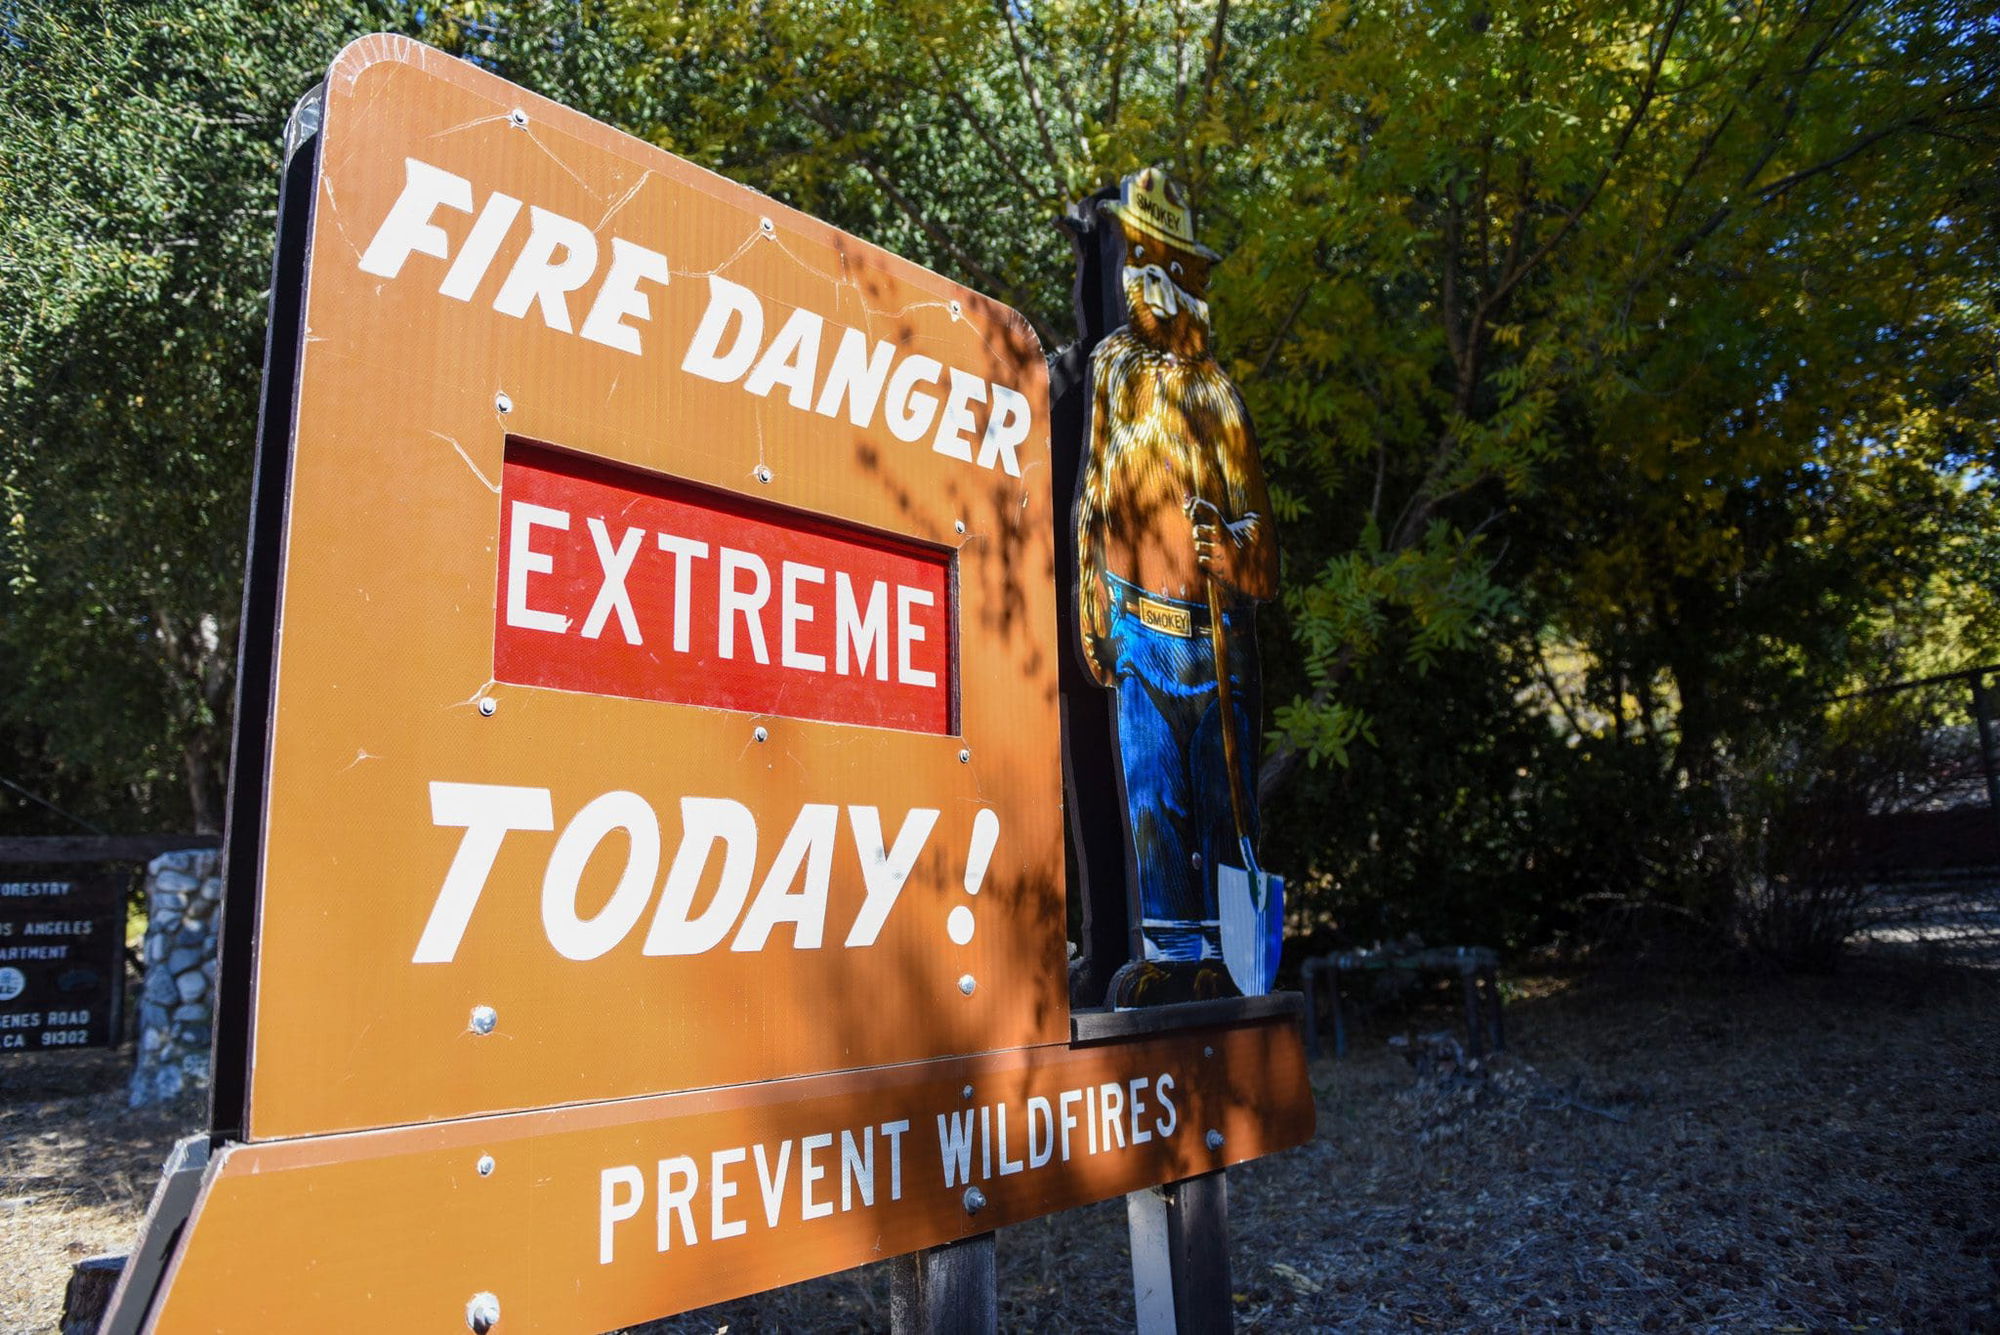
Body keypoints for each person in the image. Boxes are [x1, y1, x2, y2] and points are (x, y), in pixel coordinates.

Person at [1075, 167, 1278, 983]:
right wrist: (1094, 610)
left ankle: (1233, 955)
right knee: (1153, 801)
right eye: (1144, 262)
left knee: (1225, 802)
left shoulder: (1217, 394)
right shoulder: (1111, 371)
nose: (1156, 285)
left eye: (1175, 268)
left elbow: (1261, 529)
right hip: (1136, 628)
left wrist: (1232, 548)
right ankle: (1169, 953)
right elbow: (1093, 491)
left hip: (1213, 637)